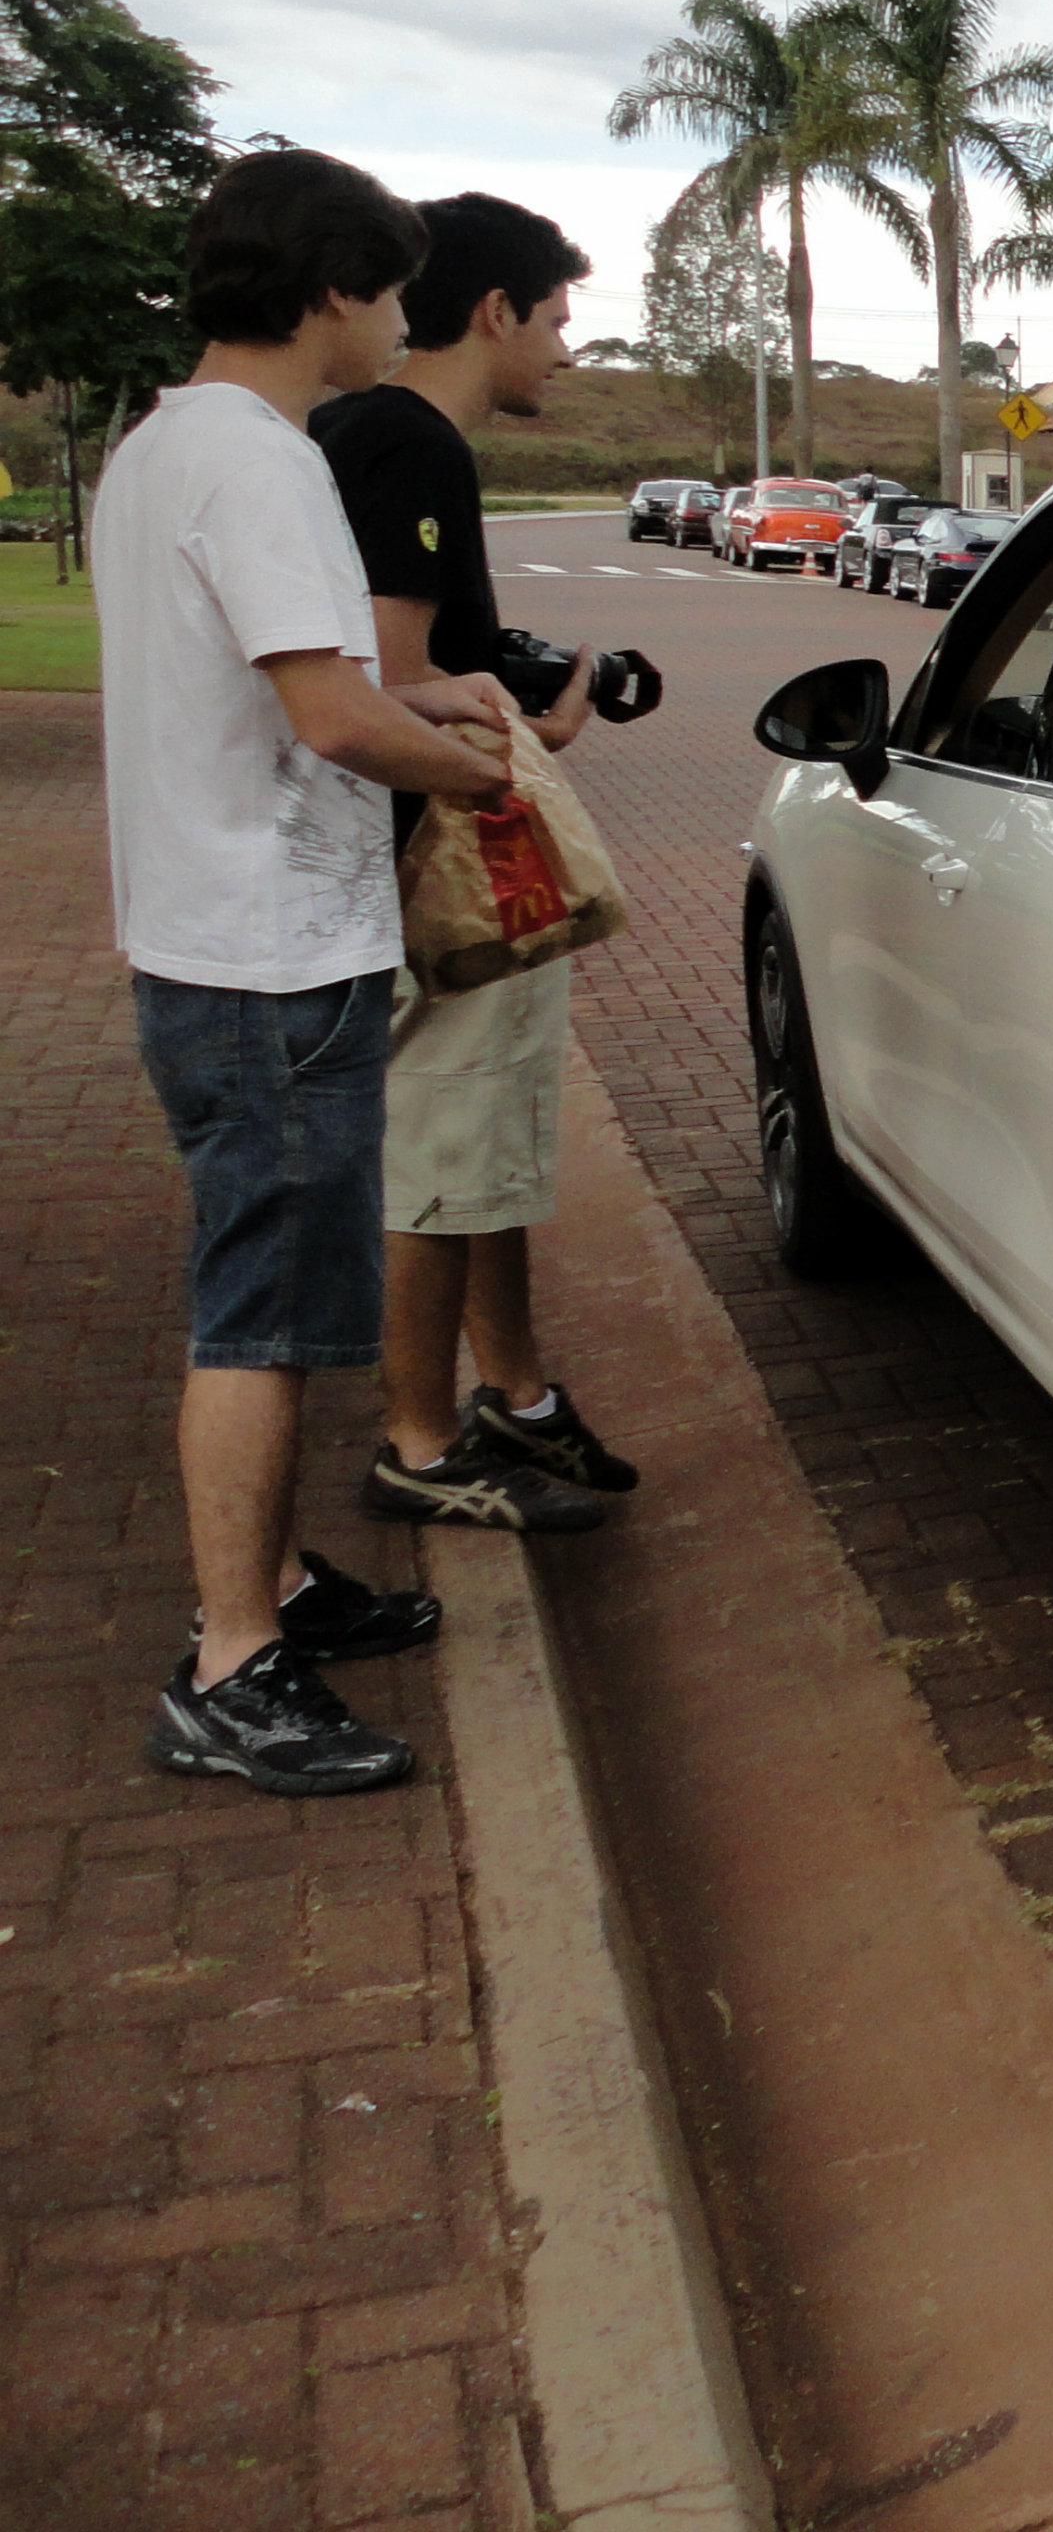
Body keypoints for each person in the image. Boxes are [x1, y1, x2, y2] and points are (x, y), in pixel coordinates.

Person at [96, 149, 522, 1796]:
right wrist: (482, 773)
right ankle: (230, 1664)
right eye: (393, 289)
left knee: (259, 1290)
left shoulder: (160, 449)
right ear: (335, 289)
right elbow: (333, 716)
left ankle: (267, 1586)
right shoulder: (266, 467)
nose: (403, 321)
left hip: (209, 942)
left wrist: (443, 711)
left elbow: (322, 684)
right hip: (271, 959)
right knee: (258, 1321)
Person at [315, 194, 632, 1535]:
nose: (566, 349)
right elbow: (386, 680)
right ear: (494, 312)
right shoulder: (409, 440)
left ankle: (516, 1393)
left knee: (484, 1147)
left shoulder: (354, 436)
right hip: (429, 864)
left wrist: (515, 695)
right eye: (557, 319)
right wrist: (510, 749)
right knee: (441, 1160)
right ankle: (421, 1442)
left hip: (384, 858)